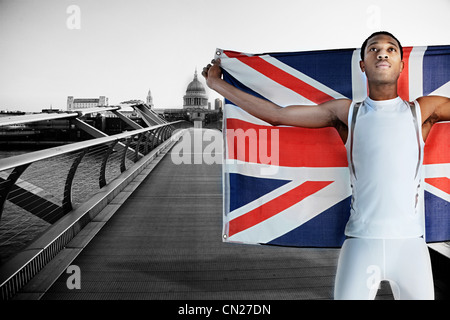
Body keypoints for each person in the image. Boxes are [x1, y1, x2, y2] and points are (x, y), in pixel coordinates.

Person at [202, 31, 450, 300]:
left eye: (391, 49)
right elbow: (276, 115)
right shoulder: (346, 113)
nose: (382, 53)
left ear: (401, 65)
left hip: (411, 248)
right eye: (374, 49)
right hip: (360, 245)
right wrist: (216, 84)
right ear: (362, 65)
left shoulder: (423, 111)